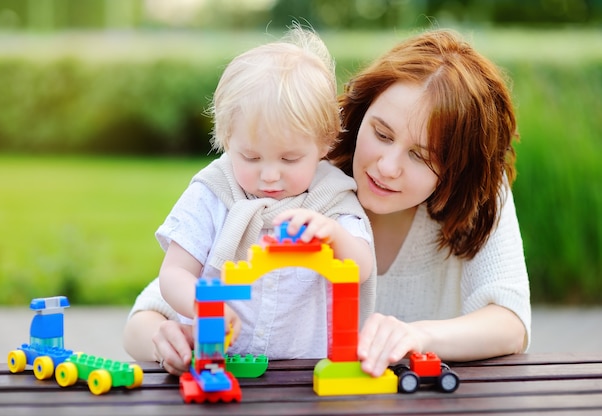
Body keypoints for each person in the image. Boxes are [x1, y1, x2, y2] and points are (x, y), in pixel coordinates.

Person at [123, 28, 531, 378]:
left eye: (421, 156)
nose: (386, 167)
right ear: (355, 115)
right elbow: (148, 316)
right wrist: (166, 339)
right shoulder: (300, 175)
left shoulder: (479, 192)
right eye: (382, 134)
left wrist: (419, 334)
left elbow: (511, 326)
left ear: (458, 169)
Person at [126, 25, 376, 374]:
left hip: (303, 373)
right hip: (220, 364)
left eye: (290, 159)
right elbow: (175, 273)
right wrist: (203, 306)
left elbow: (361, 269)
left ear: (325, 143)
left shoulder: (332, 198)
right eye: (251, 157)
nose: (270, 175)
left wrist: (333, 235)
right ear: (228, 139)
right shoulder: (213, 192)